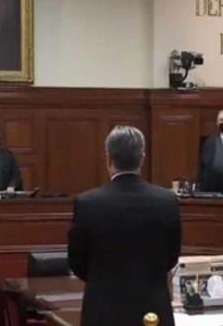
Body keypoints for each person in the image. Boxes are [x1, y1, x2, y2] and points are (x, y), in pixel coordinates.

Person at [68, 126, 181, 326]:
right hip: (152, 312)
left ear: (108, 158)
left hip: (103, 312)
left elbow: (77, 262)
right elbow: (171, 257)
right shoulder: (166, 201)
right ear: (142, 158)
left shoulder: (88, 203)